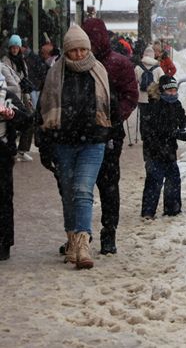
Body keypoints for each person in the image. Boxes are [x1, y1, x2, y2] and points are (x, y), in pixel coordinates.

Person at [37, 25, 112, 270]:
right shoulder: (55, 74)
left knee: (82, 190)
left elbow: (110, 106)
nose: (79, 54)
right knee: (68, 192)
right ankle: (71, 241)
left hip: (93, 141)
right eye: (74, 50)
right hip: (64, 142)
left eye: (82, 49)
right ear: (66, 51)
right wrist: (47, 142)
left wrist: (109, 129)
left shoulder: (98, 71)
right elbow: (44, 108)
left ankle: (83, 243)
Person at [83, 18, 140, 256]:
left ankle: (109, 233)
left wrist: (117, 115)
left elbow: (131, 94)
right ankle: (81, 235)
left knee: (107, 186)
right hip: (83, 134)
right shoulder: (78, 62)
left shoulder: (118, 64)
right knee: (82, 189)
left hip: (109, 134)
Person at [141, 75, 186, 219]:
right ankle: (148, 212)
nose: (172, 93)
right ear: (162, 91)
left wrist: (185, 131)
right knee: (154, 181)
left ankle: (172, 210)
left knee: (173, 179)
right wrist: (171, 133)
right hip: (154, 151)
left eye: (174, 90)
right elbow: (148, 131)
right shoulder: (153, 106)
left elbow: (183, 121)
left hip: (170, 150)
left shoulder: (176, 105)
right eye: (169, 91)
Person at [0, 68, 28, 261]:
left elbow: (26, 120)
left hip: (1, 151)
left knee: (3, 197)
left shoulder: (6, 96)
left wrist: (13, 115)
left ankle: (3, 243)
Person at [2, 35, 34, 161]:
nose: (15, 49)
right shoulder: (5, 62)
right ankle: (12, 150)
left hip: (22, 95)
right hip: (10, 96)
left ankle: (22, 149)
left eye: (17, 47)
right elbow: (10, 84)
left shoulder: (22, 61)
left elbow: (24, 81)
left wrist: (28, 99)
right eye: (13, 47)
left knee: (30, 118)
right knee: (12, 122)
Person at [133, 47, 165, 147]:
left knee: (143, 118)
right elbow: (163, 81)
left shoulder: (138, 68)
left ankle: (144, 136)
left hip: (142, 98)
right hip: (154, 97)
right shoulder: (158, 68)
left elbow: (134, 82)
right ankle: (153, 134)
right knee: (154, 117)